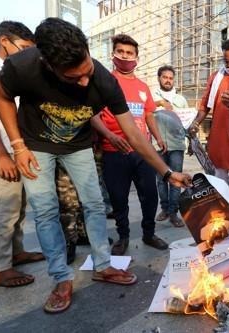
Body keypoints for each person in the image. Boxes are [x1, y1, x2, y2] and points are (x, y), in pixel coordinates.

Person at [0, 18, 191, 313]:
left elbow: (135, 135)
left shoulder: (103, 80)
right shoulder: (22, 66)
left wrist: (167, 172)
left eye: (87, 71)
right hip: (36, 145)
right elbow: (3, 98)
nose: (85, 83)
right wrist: (17, 146)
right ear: (48, 65)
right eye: (74, 78)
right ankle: (62, 278)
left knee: (95, 204)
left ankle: (104, 265)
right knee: (46, 209)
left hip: (78, 145)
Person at [92, 34, 169, 255]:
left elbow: (149, 115)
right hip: (113, 151)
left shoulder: (143, 87)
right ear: (113, 54)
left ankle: (149, 233)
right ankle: (123, 236)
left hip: (142, 151)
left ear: (137, 57)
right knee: (118, 197)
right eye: (121, 52)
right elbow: (93, 115)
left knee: (150, 195)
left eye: (130, 53)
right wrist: (110, 135)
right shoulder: (103, 82)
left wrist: (159, 137)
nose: (125, 56)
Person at [0, 21, 45, 288]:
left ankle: (16, 252)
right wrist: (1, 154)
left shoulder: (13, 71)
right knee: (4, 210)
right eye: (23, 48)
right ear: (4, 41)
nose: (27, 54)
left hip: (19, 151)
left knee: (19, 208)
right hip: (1, 152)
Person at [189, 39, 229, 199]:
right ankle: (225, 215)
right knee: (220, 181)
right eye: (227, 62)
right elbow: (205, 105)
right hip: (219, 136)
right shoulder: (215, 77)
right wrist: (195, 123)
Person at [153, 65, 188, 228]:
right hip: (158, 145)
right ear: (159, 78)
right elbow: (145, 112)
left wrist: (189, 141)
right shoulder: (152, 96)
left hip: (176, 145)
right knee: (161, 179)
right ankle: (165, 209)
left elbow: (186, 121)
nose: (168, 80)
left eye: (170, 78)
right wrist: (160, 103)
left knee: (176, 180)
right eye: (164, 77)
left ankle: (174, 212)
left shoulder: (181, 100)